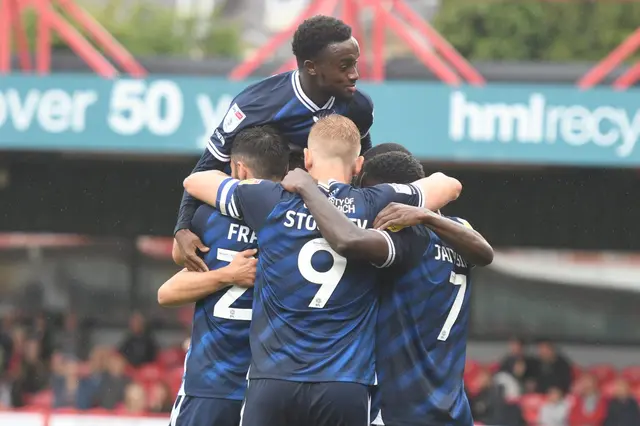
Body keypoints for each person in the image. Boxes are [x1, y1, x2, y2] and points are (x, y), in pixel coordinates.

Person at [182, 115, 461, 426]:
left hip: (273, 381)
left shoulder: (271, 200)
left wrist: (262, 185)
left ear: (307, 157)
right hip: (343, 385)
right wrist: (407, 203)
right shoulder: (373, 203)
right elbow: (449, 185)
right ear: (358, 165)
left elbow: (195, 181)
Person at [284, 150, 493, 426]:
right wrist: (430, 217)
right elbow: (485, 254)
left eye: (371, 196)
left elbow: (349, 241)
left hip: (400, 409)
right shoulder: (458, 230)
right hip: (451, 408)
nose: (368, 207)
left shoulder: (405, 235)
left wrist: (309, 190)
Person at [174, 15, 375, 272]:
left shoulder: (359, 106)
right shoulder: (255, 104)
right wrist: (182, 228)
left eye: (355, 64)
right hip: (252, 212)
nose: (355, 74)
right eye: (345, 66)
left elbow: (360, 157)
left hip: (315, 214)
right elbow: (205, 168)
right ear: (311, 67)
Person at [160, 126, 290, 426]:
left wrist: (225, 274)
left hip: (211, 383)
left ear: (239, 169)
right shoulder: (296, 224)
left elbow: (168, 286)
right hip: (270, 388)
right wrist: (231, 274)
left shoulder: (210, 218)